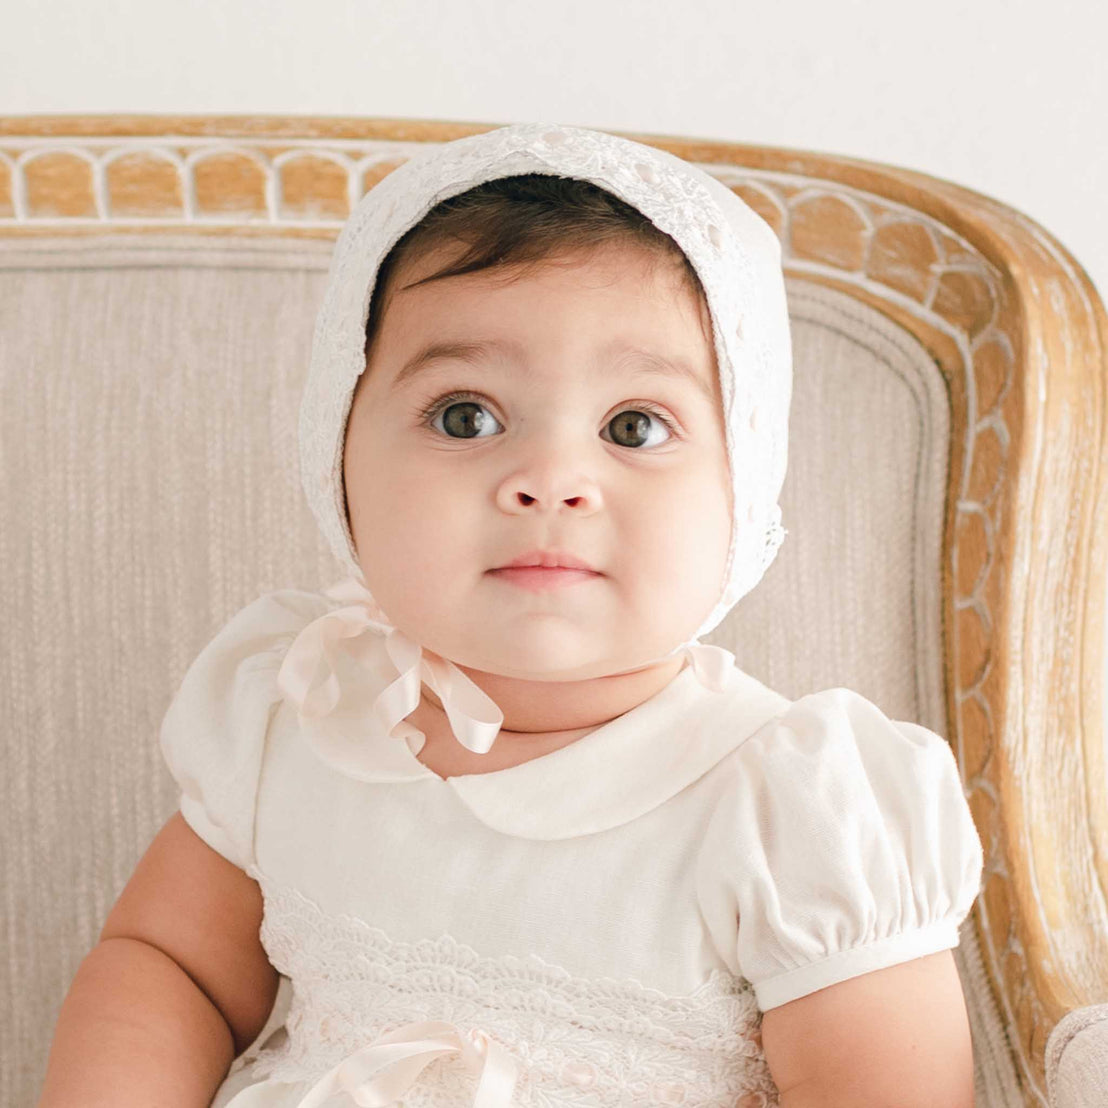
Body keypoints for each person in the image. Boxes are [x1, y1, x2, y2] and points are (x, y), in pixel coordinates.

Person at [37, 122, 983, 1108]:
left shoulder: (791, 811)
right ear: (338, 457)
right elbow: (169, 965)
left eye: (634, 427)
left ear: (745, 486)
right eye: (465, 416)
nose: (549, 480)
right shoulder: (298, 713)